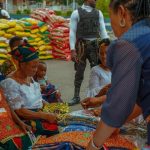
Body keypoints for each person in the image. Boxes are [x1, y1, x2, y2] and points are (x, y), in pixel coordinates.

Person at [80, 0, 150, 149]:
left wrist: (93, 145)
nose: (113, 28)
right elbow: (142, 97)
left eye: (111, 20)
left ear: (121, 12)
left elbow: (119, 103)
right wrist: (119, 122)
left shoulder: (129, 44)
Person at [0, 43, 59, 137]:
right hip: (27, 119)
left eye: (37, 66)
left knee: (65, 118)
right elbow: (20, 111)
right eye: (33, 67)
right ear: (22, 65)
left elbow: (37, 99)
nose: (36, 70)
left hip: (39, 113)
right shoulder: (10, 83)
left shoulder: (29, 77)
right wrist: (45, 115)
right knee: (54, 128)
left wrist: (50, 107)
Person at [68, 0, 110, 106]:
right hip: (81, 47)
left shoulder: (98, 13)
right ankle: (76, 96)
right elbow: (72, 31)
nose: (96, 1)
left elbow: (103, 30)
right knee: (79, 72)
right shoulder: (76, 13)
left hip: (95, 46)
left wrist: (108, 44)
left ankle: (98, 96)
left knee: (97, 70)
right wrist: (72, 50)